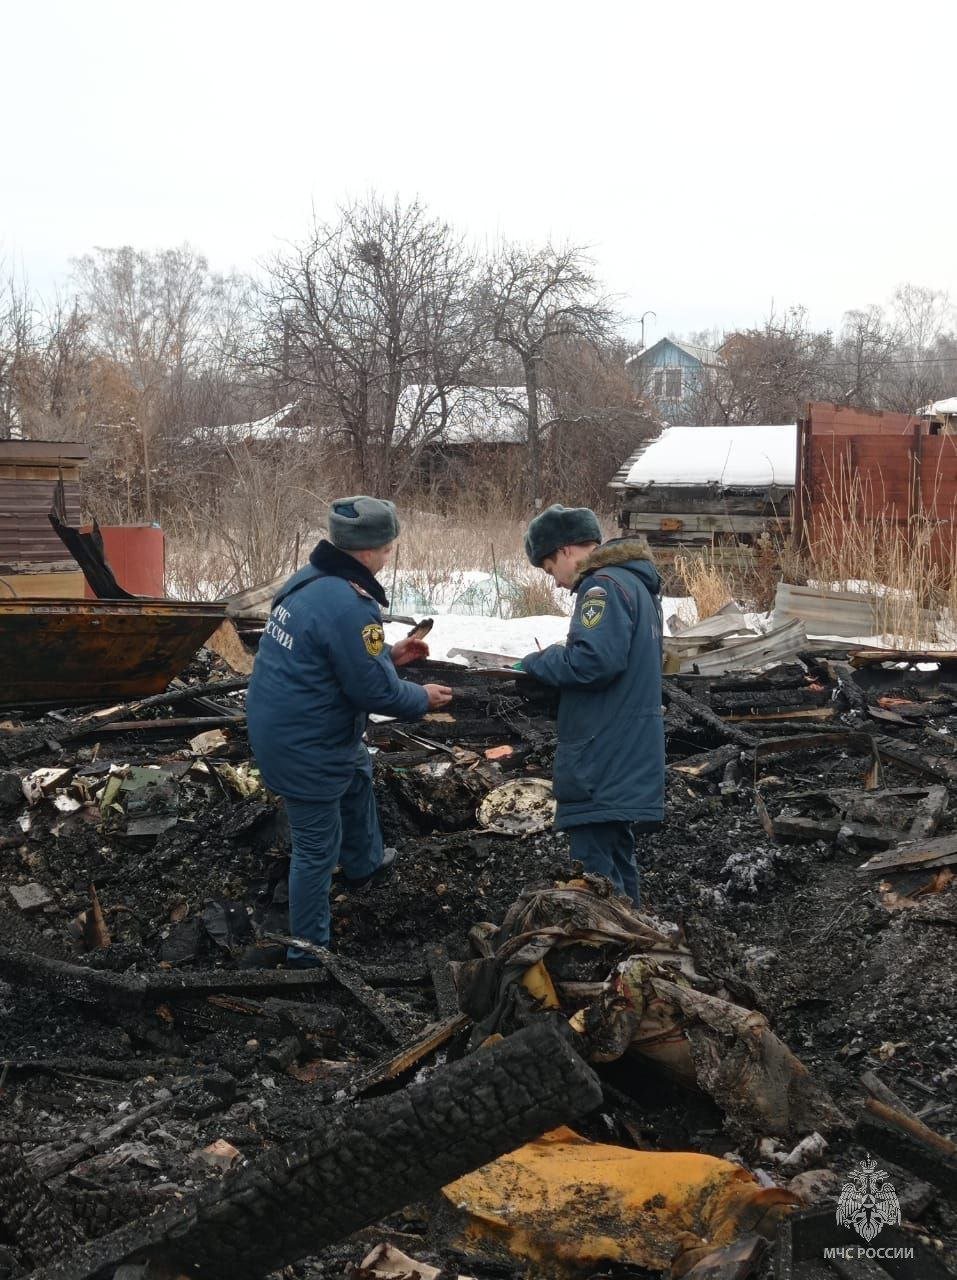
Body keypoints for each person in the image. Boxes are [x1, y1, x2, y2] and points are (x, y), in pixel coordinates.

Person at [246, 496, 452, 964]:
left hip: (290, 724)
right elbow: (377, 695)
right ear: (369, 551)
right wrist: (422, 698)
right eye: (388, 546)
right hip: (305, 744)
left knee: (358, 778)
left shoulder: (310, 580)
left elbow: (338, 660)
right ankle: (308, 952)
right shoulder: (350, 605)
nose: (389, 553)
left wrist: (388, 657)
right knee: (316, 847)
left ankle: (364, 864)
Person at [518, 504, 664, 906]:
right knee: (618, 858)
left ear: (565, 551)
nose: (557, 583)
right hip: (626, 752)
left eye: (550, 570)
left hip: (602, 755)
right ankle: (637, 946)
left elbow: (593, 661)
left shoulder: (601, 588)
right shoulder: (637, 586)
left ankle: (609, 958)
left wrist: (540, 660)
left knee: (596, 877)